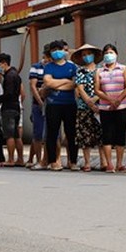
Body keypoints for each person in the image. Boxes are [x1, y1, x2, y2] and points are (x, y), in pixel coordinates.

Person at [94, 43, 126, 172]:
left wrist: (118, 100)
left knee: (120, 134)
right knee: (107, 135)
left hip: (122, 106)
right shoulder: (99, 71)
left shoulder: (123, 69)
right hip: (105, 108)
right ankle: (109, 163)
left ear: (116, 54)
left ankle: (119, 163)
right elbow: (97, 90)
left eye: (111, 53)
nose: (109, 55)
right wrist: (110, 100)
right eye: (106, 53)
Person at [42, 40, 78, 170]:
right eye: (53, 50)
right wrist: (65, 81)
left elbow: (74, 84)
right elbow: (48, 83)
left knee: (71, 133)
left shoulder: (72, 67)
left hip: (69, 103)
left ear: (64, 50)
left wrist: (56, 83)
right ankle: (53, 161)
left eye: (59, 49)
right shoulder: (48, 67)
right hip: (53, 104)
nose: (56, 52)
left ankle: (72, 161)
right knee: (52, 133)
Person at [72, 43, 103, 172]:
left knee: (101, 135)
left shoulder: (101, 69)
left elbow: (103, 87)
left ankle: (104, 161)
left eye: (89, 54)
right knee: (85, 136)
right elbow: (80, 88)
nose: (87, 57)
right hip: (83, 106)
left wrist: (96, 99)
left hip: (100, 105)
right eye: (84, 55)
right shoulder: (80, 71)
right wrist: (89, 102)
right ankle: (87, 162)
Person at [0, 53, 24, 166]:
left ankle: (11, 159)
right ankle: (20, 159)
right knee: (17, 135)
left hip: (8, 107)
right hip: (16, 106)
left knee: (9, 135)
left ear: (4, 63)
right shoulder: (16, 74)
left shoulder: (9, 76)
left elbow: (8, 94)